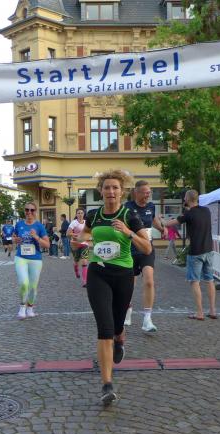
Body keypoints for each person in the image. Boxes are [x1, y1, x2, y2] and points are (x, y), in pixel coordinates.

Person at [72, 170, 151, 405]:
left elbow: (147, 248)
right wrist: (79, 242)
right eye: (106, 187)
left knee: (116, 326)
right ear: (101, 191)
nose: (111, 191)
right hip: (98, 274)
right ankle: (107, 384)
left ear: (122, 191)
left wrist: (128, 232)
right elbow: (85, 235)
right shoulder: (94, 215)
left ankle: (120, 339)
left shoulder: (129, 215)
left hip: (123, 275)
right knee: (104, 328)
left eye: (115, 187)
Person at [124, 180, 166, 333]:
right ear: (136, 192)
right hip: (130, 250)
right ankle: (127, 310)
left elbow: (153, 219)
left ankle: (147, 319)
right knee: (129, 285)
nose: (148, 195)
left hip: (147, 249)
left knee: (149, 281)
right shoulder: (127, 207)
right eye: (145, 192)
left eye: (149, 192)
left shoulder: (151, 206)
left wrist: (161, 229)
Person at [168, 190, 217, 320]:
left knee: (195, 281)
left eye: (185, 197)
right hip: (209, 249)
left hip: (195, 252)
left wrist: (161, 220)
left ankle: (199, 313)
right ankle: (213, 311)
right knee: (210, 280)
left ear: (187, 199)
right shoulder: (206, 211)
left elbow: (169, 224)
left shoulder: (188, 214)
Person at [12, 202, 50, 319]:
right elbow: (14, 237)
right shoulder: (19, 224)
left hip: (35, 259)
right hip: (21, 258)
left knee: (33, 287)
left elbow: (47, 245)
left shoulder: (39, 226)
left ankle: (30, 308)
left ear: (35, 212)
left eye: (32, 210)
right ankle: (22, 307)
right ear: (24, 211)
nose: (29, 212)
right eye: (27, 210)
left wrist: (36, 237)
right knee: (24, 283)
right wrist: (15, 240)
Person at [69, 208, 89, 286]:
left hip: (84, 244)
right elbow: (68, 233)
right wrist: (77, 235)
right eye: (78, 213)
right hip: (75, 244)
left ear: (84, 214)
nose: (80, 214)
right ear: (76, 214)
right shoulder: (74, 223)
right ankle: (76, 270)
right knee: (76, 261)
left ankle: (85, 281)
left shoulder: (86, 223)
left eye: (81, 213)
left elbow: (90, 232)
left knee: (84, 261)